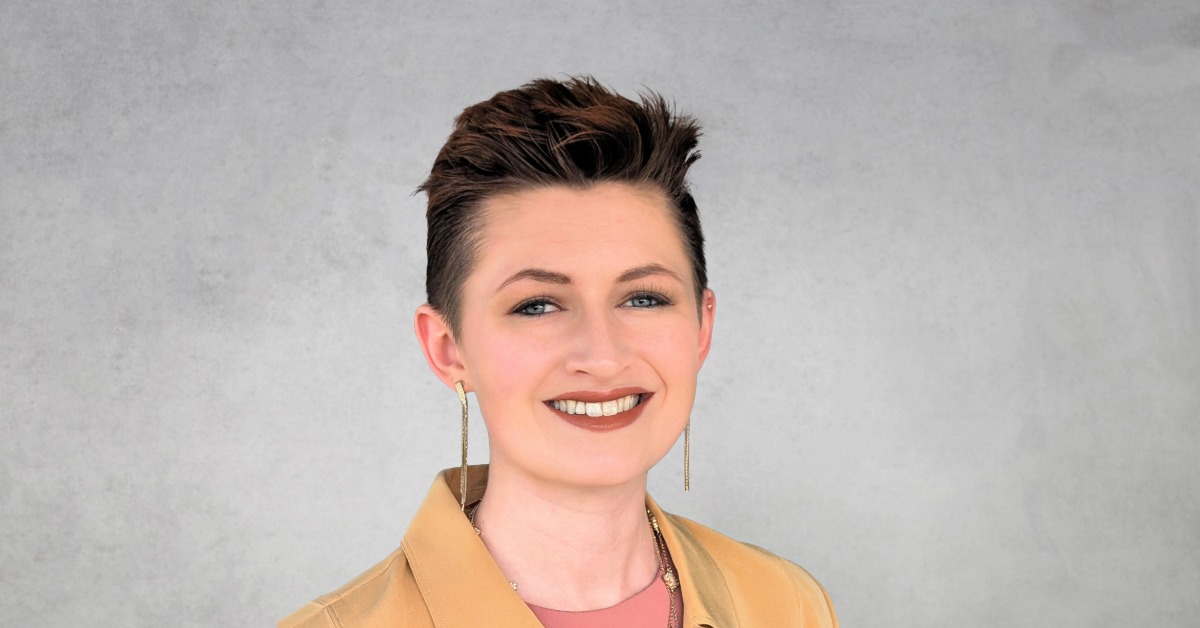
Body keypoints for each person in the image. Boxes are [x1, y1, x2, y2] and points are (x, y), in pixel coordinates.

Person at [280, 76, 837, 628]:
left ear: (700, 329)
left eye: (643, 298)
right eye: (538, 305)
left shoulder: (788, 605)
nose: (602, 356)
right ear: (449, 350)